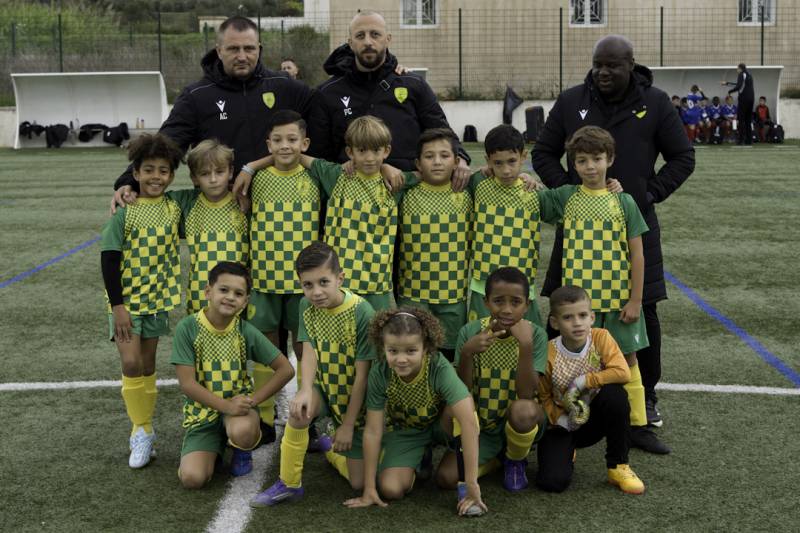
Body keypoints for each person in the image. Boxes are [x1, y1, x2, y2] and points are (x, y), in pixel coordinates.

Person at [532, 34, 694, 452]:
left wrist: (648, 194)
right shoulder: (571, 101)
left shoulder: (655, 102)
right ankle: (567, 407)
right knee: (568, 313)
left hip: (635, 224)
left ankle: (643, 410)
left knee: (643, 318)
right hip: (580, 234)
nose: (603, 72)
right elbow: (544, 153)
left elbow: (683, 157)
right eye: (598, 64)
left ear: (630, 66)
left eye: (613, 66)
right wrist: (570, 192)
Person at [111, 16, 313, 207]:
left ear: (259, 49)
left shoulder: (285, 86)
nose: (242, 56)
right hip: (222, 206)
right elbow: (168, 142)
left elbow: (324, 122)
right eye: (233, 49)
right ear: (219, 51)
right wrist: (130, 180)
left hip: (282, 202)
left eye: (249, 48)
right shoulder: (196, 96)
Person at [540, 125, 653, 455]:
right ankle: (569, 421)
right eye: (582, 161)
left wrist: (636, 300)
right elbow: (531, 199)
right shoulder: (565, 197)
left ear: (610, 159)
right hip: (578, 309)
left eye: (597, 159)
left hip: (618, 300)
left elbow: (637, 254)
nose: (590, 167)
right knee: (571, 364)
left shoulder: (625, 201)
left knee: (628, 357)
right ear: (573, 165)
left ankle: (636, 425)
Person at [251, 242, 377, 506]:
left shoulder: (362, 311)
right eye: (308, 285)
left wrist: (347, 425)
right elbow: (308, 353)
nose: (316, 292)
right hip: (325, 388)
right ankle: (289, 483)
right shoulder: (305, 306)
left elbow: (363, 376)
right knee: (299, 412)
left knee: (359, 483)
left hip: (357, 398)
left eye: (323, 282)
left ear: (340, 278)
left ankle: (332, 448)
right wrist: (306, 389)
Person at [344, 307, 487, 517]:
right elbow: (374, 431)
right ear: (383, 347)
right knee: (390, 489)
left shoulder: (439, 367)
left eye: (411, 351)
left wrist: (472, 483)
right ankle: (421, 459)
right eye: (393, 351)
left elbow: (468, 421)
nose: (401, 359)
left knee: (459, 411)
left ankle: (461, 472)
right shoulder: (380, 371)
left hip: (441, 426)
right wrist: (369, 489)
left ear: (426, 348)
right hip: (407, 431)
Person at [100, 134, 184, 468]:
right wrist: (118, 307)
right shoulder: (124, 211)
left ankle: (146, 430)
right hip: (126, 304)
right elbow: (108, 261)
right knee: (131, 363)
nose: (155, 177)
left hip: (158, 300)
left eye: (163, 171)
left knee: (148, 366)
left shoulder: (174, 207)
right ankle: (140, 429)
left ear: (171, 176)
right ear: (135, 173)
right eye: (148, 169)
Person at [171, 262, 294, 488]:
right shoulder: (187, 328)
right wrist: (225, 406)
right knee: (192, 479)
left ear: (245, 301)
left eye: (238, 293)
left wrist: (252, 401)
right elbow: (187, 384)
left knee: (243, 431)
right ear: (208, 291)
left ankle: (240, 448)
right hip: (203, 416)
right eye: (223, 290)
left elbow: (285, 369)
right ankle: (213, 446)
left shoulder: (244, 330)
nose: (230, 297)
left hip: (238, 413)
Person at [306, 10, 471, 176]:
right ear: (350, 42)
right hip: (353, 193)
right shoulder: (327, 92)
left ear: (388, 39)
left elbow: (441, 130)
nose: (368, 41)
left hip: (408, 190)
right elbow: (318, 155)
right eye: (360, 36)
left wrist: (461, 157)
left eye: (375, 34)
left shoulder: (413, 84)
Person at [443, 267, 547, 493]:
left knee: (524, 411)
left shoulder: (536, 334)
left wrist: (526, 346)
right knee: (446, 478)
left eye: (516, 302)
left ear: (527, 305)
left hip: (520, 419)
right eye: (499, 301)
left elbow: (527, 395)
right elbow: (462, 390)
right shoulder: (470, 331)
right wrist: (468, 353)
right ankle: (497, 458)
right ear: (486, 302)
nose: (507, 310)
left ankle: (516, 459)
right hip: (483, 426)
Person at [535, 285, 644, 495]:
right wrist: (559, 420)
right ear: (555, 323)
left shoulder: (601, 338)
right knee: (552, 483)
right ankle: (567, 452)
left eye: (582, 315)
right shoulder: (549, 352)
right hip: (563, 424)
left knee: (615, 395)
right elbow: (543, 396)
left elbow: (623, 372)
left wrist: (585, 381)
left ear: (592, 318)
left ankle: (617, 466)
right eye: (568, 318)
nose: (577, 323)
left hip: (594, 419)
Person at [467, 124, 554, 329]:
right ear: (488, 161)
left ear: (524, 157)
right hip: (483, 284)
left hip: (522, 285)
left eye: (512, 161)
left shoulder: (533, 191)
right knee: (482, 341)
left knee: (527, 343)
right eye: (498, 163)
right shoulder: (478, 183)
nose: (506, 170)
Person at [396, 128, 472, 360]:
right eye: (429, 156)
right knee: (410, 351)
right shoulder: (405, 192)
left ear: (457, 161)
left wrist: (527, 177)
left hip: (453, 294)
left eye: (444, 155)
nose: (437, 162)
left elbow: (499, 177)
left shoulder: (469, 190)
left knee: (448, 355)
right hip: (413, 292)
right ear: (418, 163)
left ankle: (448, 396)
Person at [170, 140, 249, 316]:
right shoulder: (186, 202)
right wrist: (129, 186)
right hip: (200, 297)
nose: (213, 179)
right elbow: (154, 196)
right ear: (194, 178)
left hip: (238, 298)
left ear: (230, 172)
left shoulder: (243, 203)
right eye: (205, 174)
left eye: (219, 172)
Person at [723, 63, 755, 146]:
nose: (737, 70)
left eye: (737, 68)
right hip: (751, 99)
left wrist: (730, 92)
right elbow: (740, 84)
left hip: (743, 99)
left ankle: (741, 140)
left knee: (741, 120)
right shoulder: (749, 75)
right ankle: (749, 140)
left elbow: (738, 86)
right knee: (748, 120)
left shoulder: (741, 74)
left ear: (740, 68)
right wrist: (727, 83)